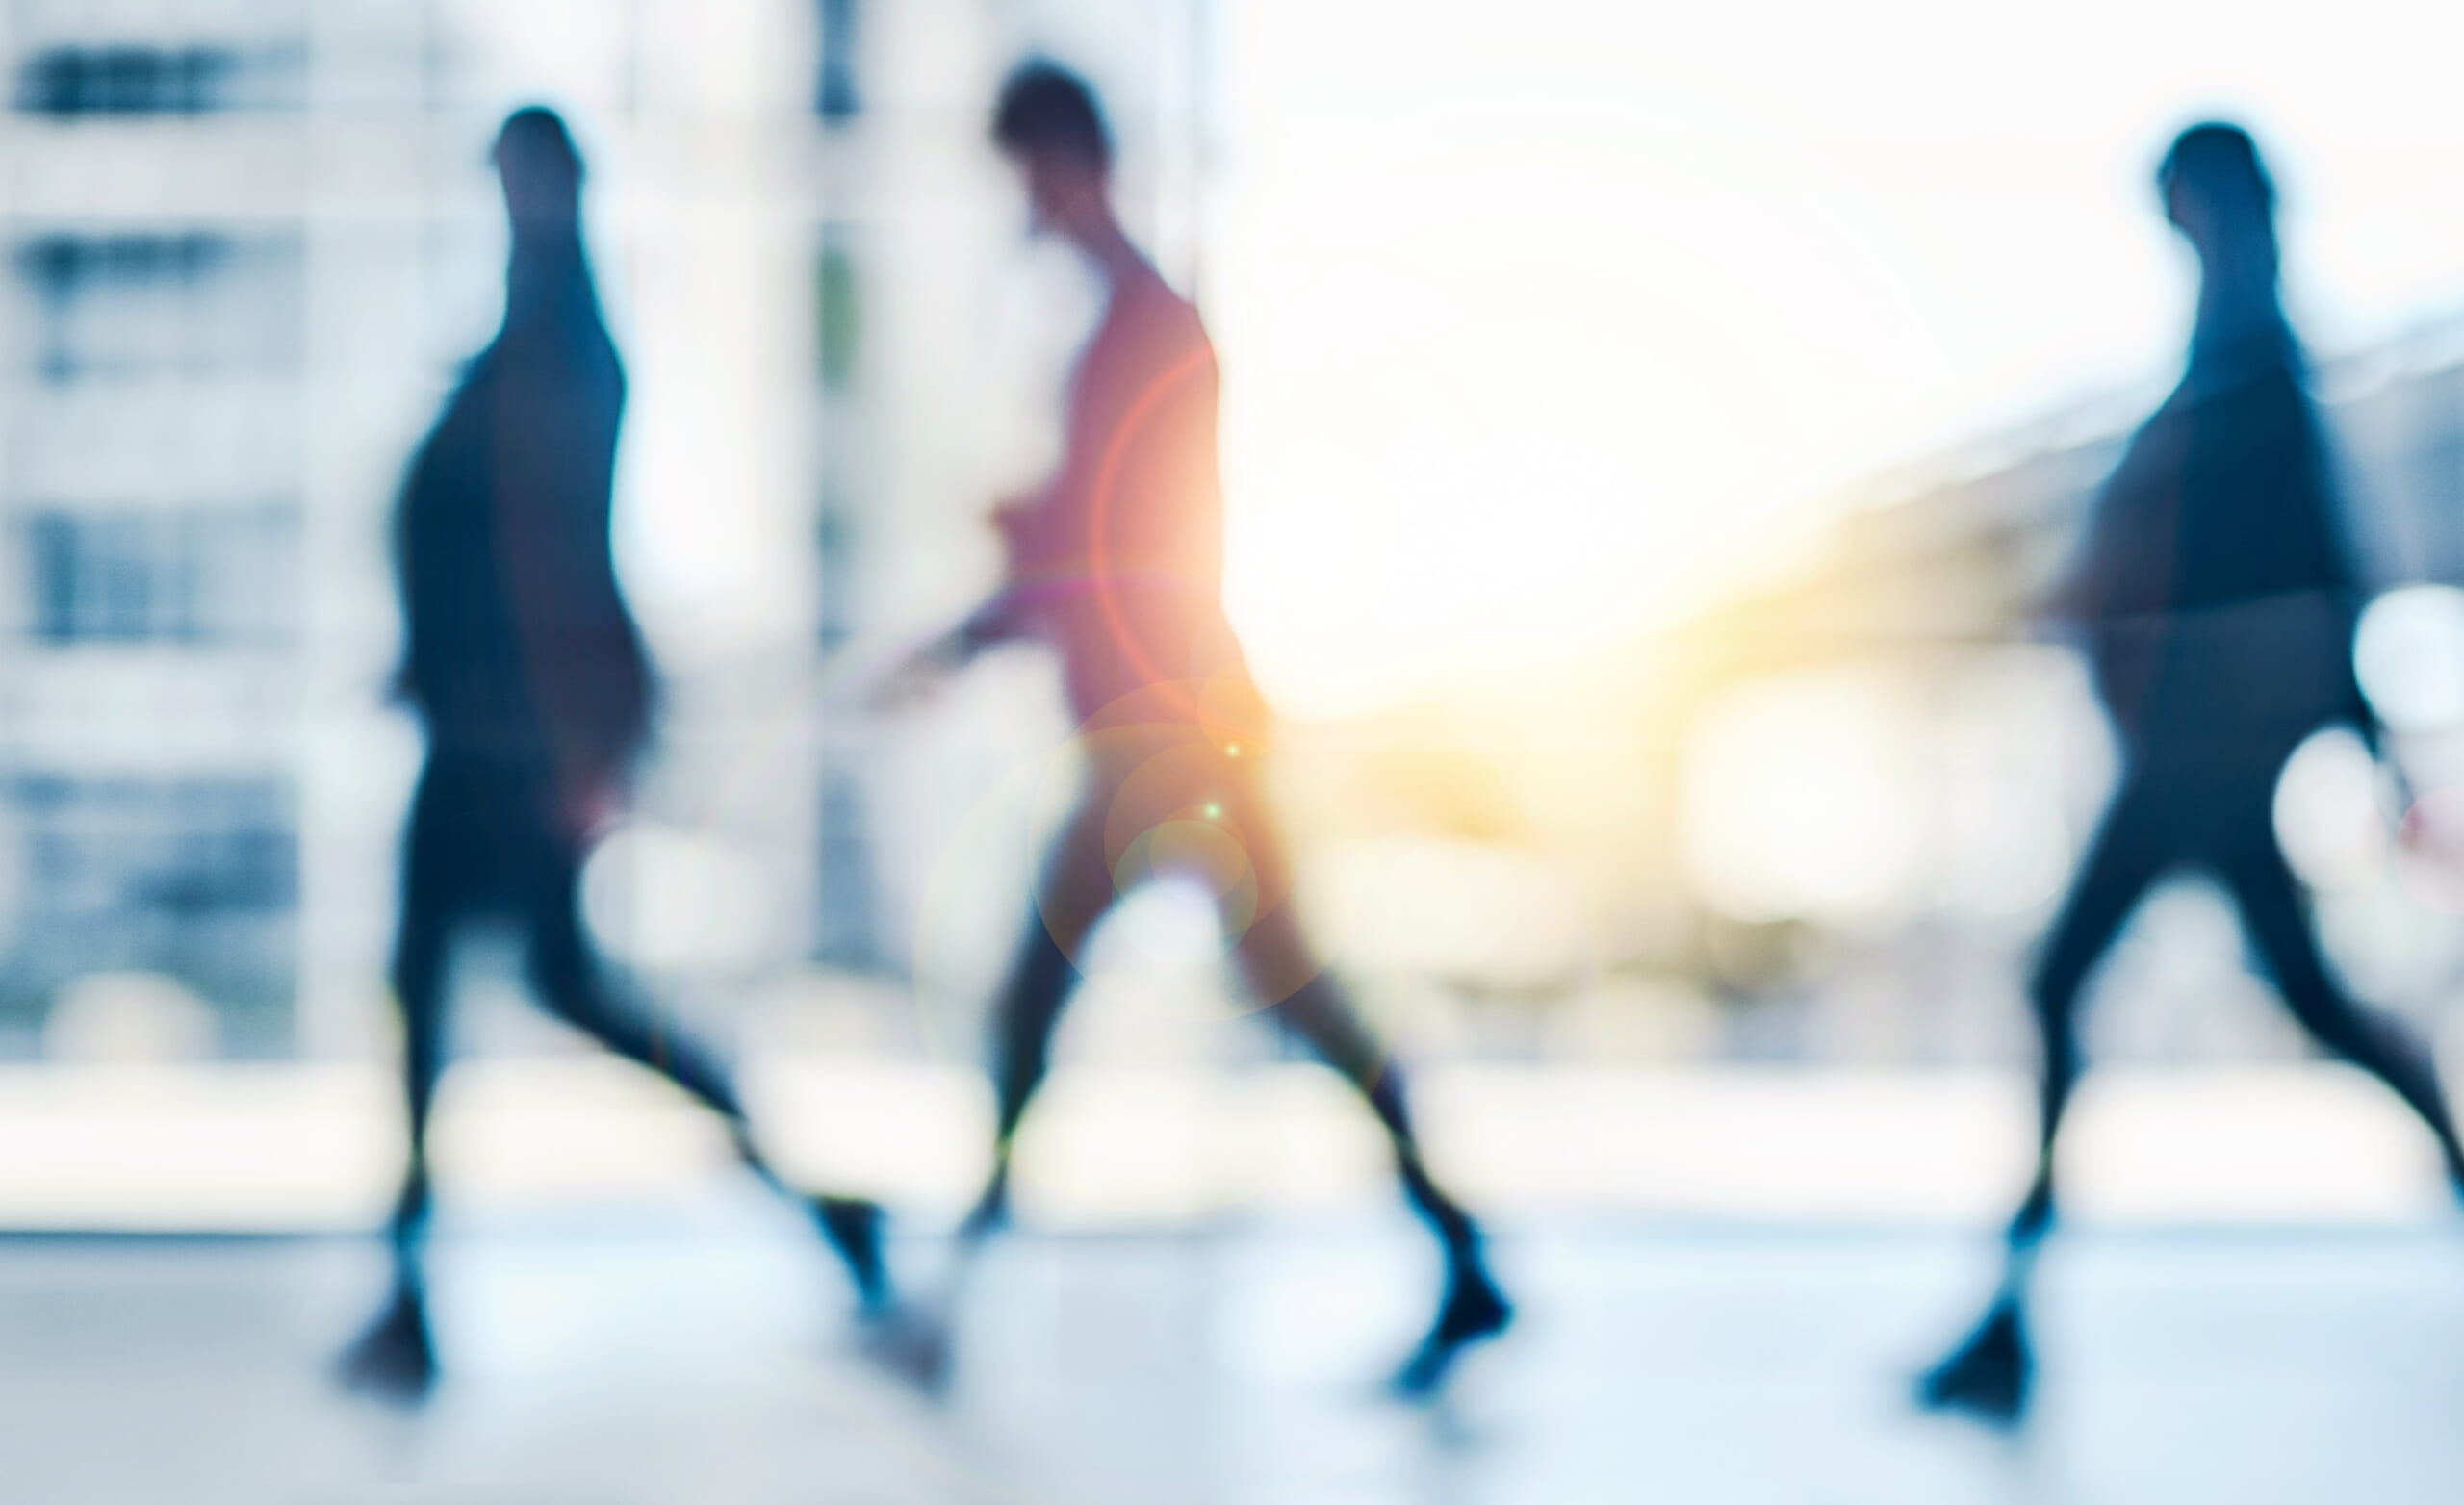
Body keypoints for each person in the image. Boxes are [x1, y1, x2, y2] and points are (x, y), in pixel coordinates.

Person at [916, 61, 1511, 1397]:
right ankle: (1466, 1255)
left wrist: (988, 612)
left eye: (1020, 175)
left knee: (1044, 1003)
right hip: (1183, 729)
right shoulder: (1142, 326)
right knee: (1298, 999)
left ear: (1061, 165)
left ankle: (948, 1302)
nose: (1014, 207)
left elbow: (1112, 549)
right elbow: (1099, 535)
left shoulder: (1141, 333)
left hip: (1160, 736)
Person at [338, 107, 893, 1400]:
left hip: (512, 752)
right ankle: (413, 1292)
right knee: (466, 997)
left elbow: (554, 565)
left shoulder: (564, 359)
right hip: (480, 735)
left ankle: (822, 1203)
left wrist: (582, 749)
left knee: (522, 995)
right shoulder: (526, 350)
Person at [1918, 121, 2464, 1425]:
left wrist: (2371, 750)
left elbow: (2315, 568)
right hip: (2206, 752)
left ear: (2214, 206)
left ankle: (2007, 1322)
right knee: (2322, 1011)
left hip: (2199, 757)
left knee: (2065, 984)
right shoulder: (2243, 351)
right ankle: (2006, 1319)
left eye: (2178, 206)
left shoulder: (2251, 362)